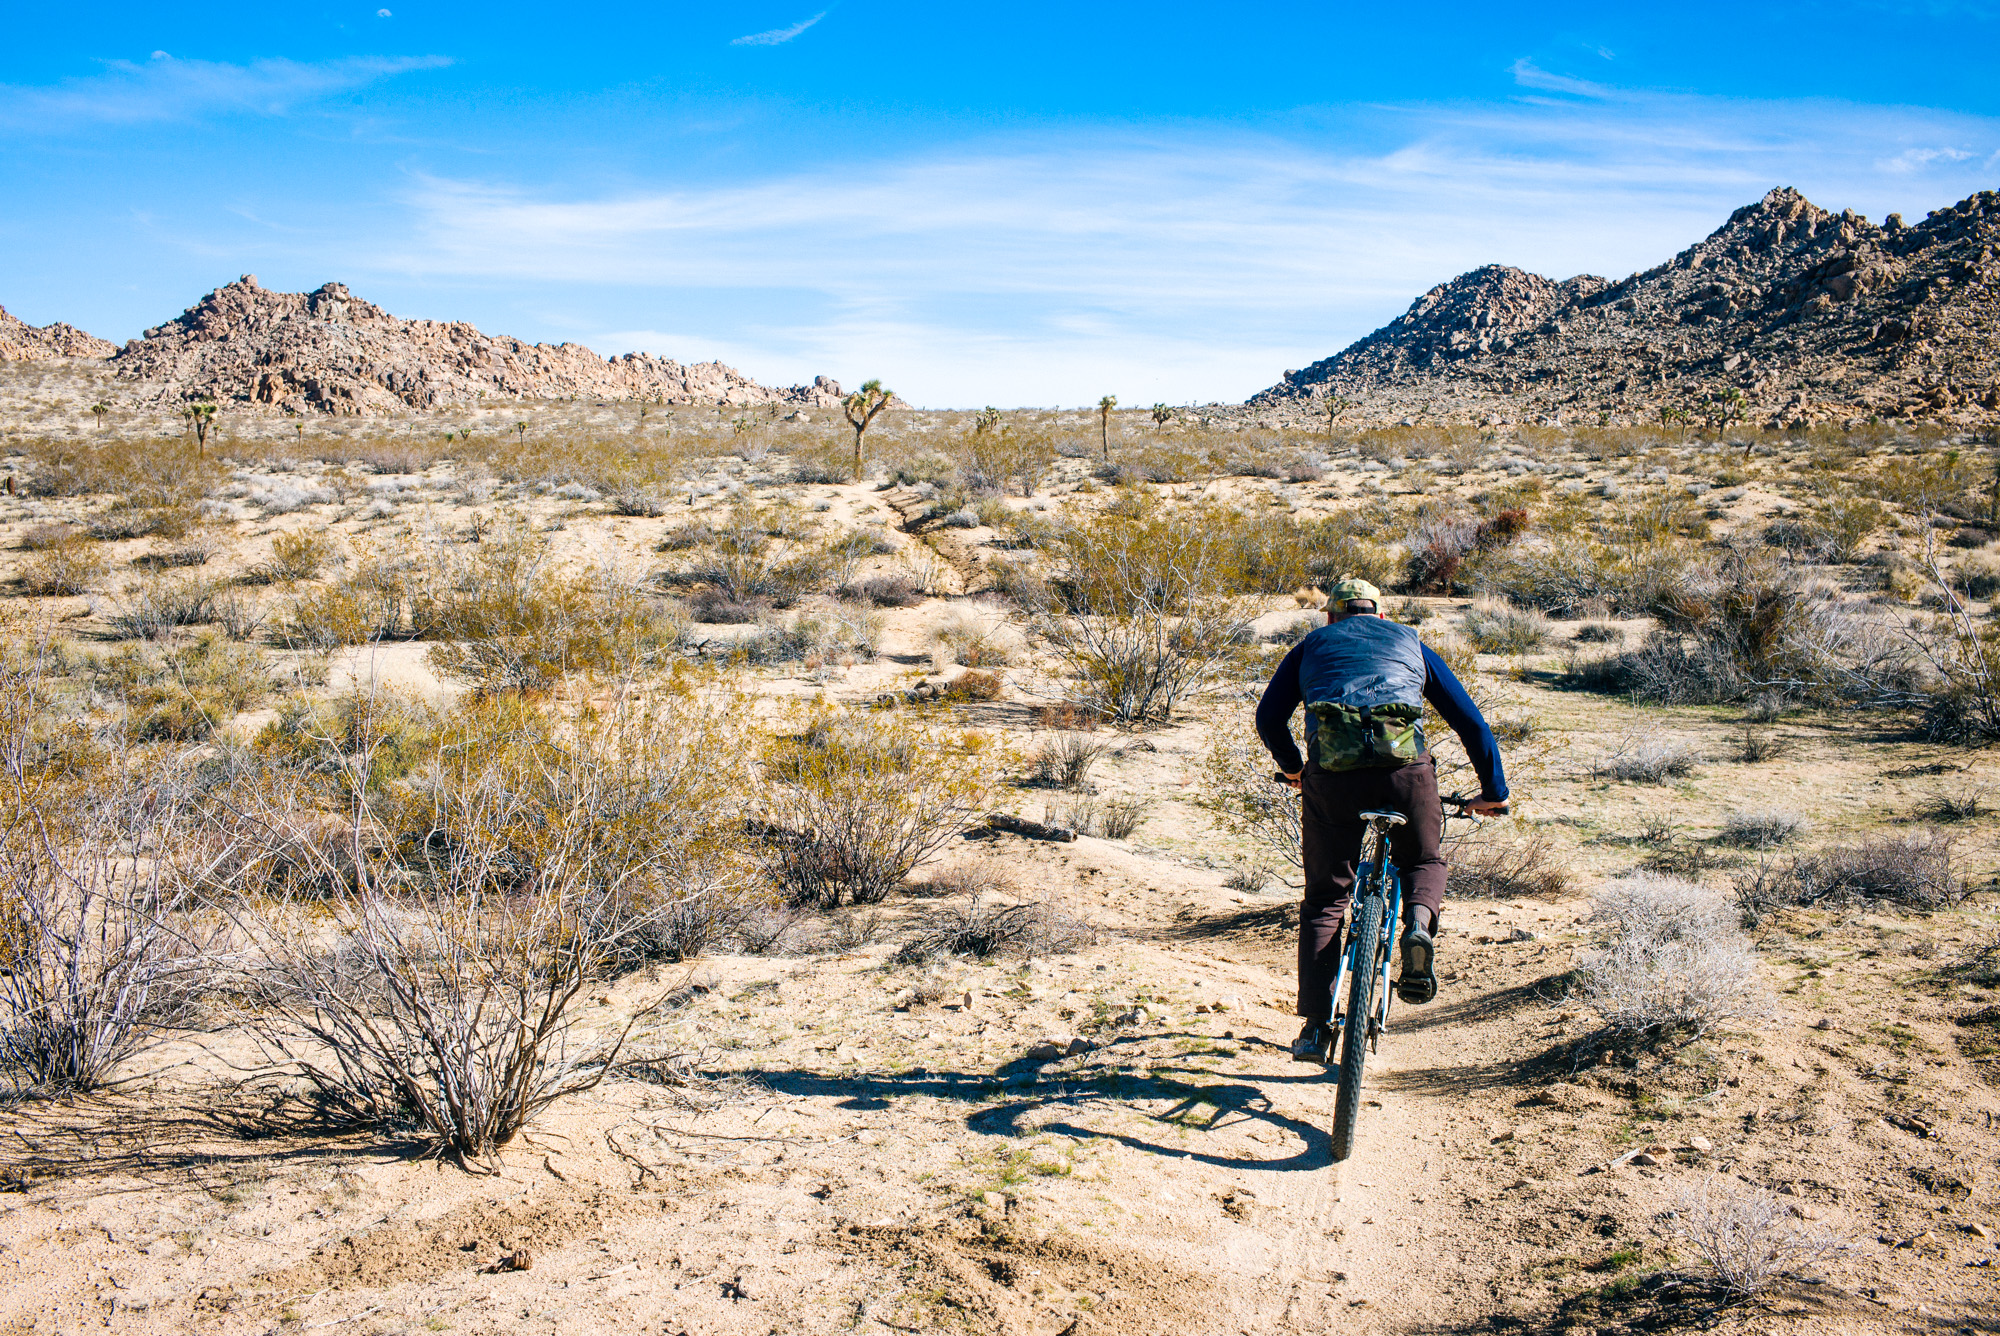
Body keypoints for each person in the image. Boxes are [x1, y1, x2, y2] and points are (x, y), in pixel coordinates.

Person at [1253, 577, 1510, 1064]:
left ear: (1330, 617)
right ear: (1382, 616)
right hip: (1405, 778)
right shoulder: (1409, 641)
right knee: (1423, 861)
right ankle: (1416, 925)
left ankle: (1313, 1028)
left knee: (1327, 896)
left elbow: (1269, 717)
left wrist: (1295, 771)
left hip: (1332, 779)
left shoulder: (1311, 645)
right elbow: (1471, 722)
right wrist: (1493, 794)